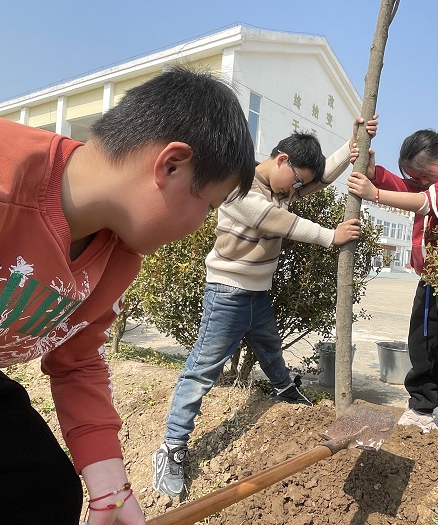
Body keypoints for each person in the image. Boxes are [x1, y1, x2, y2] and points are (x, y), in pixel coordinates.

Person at [0, 65, 256, 525]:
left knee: (41, 489)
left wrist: (109, 486)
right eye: (207, 205)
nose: (201, 225)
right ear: (171, 164)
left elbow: (77, 360)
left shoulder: (117, 254)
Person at [152, 116, 378, 499]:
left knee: (270, 347)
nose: (299, 189)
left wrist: (354, 143)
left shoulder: (282, 186)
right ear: (281, 160)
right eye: (297, 180)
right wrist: (330, 236)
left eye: (301, 184)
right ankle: (171, 445)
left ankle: (285, 391)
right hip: (227, 293)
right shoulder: (240, 189)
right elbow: (280, 222)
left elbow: (319, 179)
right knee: (203, 369)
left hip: (256, 294)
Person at [346, 128, 438, 464]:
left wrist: (375, 194)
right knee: (423, 348)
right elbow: (406, 188)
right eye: (413, 175)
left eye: (423, 174)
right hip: (430, 282)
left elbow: (428, 201)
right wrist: (374, 174)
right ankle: (419, 410)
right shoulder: (431, 180)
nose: (418, 180)